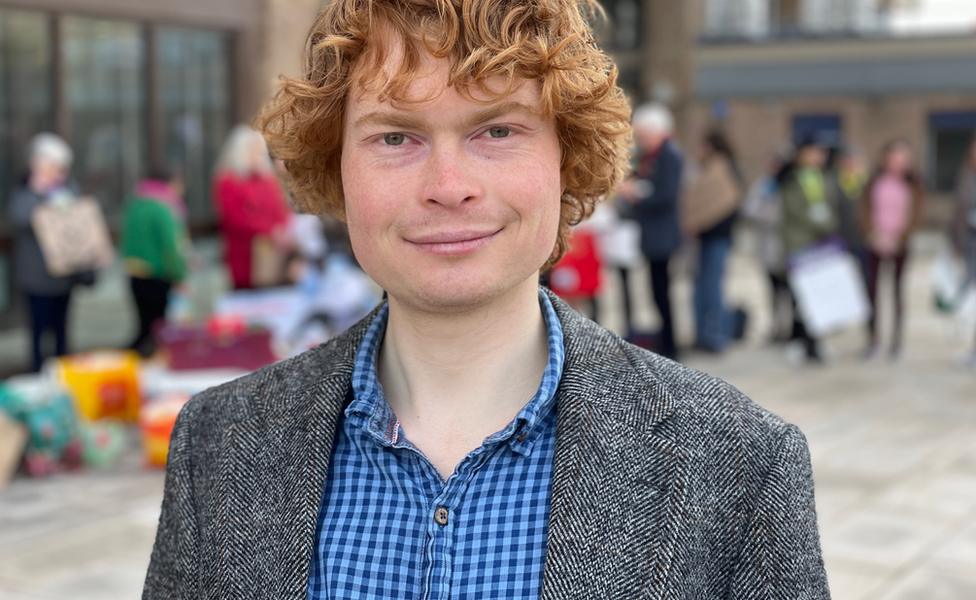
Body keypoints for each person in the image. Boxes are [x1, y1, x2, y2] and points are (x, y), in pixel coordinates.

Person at [144, 0, 829, 597]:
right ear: (336, 166)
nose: (449, 185)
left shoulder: (739, 464)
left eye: (497, 130)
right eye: (395, 135)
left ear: (567, 158)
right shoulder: (218, 446)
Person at [7, 134, 83, 372]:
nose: (57, 172)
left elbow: (80, 222)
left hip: (64, 275)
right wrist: (38, 193)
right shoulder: (24, 191)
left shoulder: (69, 189)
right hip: (35, 278)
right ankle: (38, 374)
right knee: (38, 332)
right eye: (52, 165)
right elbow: (20, 217)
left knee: (61, 331)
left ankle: (62, 375)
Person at [618, 103, 683, 360]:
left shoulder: (669, 156)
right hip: (653, 234)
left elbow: (667, 195)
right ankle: (665, 339)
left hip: (663, 235)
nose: (641, 141)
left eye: (644, 135)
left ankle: (670, 343)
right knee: (655, 290)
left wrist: (637, 195)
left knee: (662, 291)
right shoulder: (653, 156)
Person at [859, 140, 926, 361]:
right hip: (875, 242)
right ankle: (873, 339)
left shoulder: (914, 186)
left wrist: (900, 238)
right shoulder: (874, 183)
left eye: (904, 159)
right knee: (872, 292)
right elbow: (865, 210)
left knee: (897, 292)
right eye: (895, 158)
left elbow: (916, 215)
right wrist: (873, 234)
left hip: (900, 244)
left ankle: (896, 342)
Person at [779, 138, 840, 363]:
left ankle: (811, 341)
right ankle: (804, 342)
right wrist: (822, 224)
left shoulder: (826, 177)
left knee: (818, 296)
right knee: (802, 297)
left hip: (821, 245)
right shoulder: (791, 179)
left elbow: (833, 206)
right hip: (800, 245)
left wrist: (830, 225)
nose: (818, 157)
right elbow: (796, 211)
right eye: (813, 152)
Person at [682, 131, 743, 353]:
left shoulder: (722, 169)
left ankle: (718, 336)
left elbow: (726, 204)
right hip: (702, 239)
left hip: (717, 239)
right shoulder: (703, 170)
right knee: (699, 288)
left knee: (713, 288)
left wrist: (698, 222)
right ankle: (702, 334)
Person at [119, 169, 191, 357]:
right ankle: (132, 361)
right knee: (160, 330)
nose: (181, 191)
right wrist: (179, 276)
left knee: (144, 326)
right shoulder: (163, 208)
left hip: (134, 272)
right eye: (179, 185)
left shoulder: (136, 204)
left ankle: (133, 361)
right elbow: (170, 246)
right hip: (158, 274)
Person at [212, 124, 293, 289]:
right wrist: (269, 230)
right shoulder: (227, 181)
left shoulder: (267, 180)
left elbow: (280, 209)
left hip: (271, 254)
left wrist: (282, 229)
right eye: (253, 149)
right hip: (243, 256)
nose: (258, 154)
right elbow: (234, 218)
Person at [741, 146, 791, 342]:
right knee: (772, 290)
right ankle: (776, 327)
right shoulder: (764, 185)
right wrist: (765, 213)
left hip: (787, 246)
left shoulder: (789, 184)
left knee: (789, 292)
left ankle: (789, 328)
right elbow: (749, 208)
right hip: (767, 244)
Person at [951, 136, 976, 367]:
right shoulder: (966, 176)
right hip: (970, 243)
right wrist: (955, 243)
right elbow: (957, 211)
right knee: (971, 297)